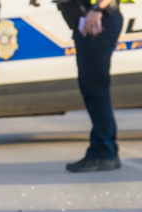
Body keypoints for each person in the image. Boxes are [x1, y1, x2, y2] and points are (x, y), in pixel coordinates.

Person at [31, 0, 123, 172]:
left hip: (98, 19)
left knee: (95, 89)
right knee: (92, 89)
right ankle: (107, 149)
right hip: (88, 22)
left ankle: (103, 153)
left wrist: (97, 9)